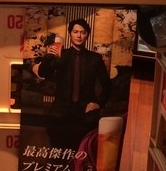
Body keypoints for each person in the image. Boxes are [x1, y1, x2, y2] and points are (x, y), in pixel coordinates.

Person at [36, 18, 112, 151]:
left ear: (87, 35)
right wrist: (48, 57)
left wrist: (98, 103)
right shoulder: (60, 55)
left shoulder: (95, 58)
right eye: (75, 32)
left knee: (85, 146)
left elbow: (107, 85)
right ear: (70, 34)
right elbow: (43, 73)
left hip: (85, 108)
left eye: (83, 32)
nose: (79, 35)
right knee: (57, 141)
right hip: (61, 108)